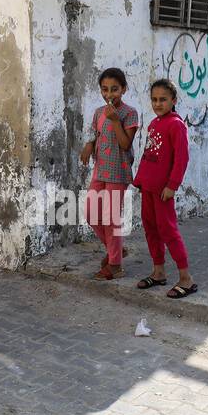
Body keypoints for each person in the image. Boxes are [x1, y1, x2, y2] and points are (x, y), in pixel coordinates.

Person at [132, 79, 195, 298]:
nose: (158, 104)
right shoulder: (153, 124)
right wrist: (140, 179)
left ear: (173, 100)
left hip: (163, 191)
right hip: (148, 188)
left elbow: (181, 159)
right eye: (154, 99)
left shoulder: (176, 124)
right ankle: (158, 272)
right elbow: (148, 155)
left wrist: (172, 186)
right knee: (150, 228)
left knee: (168, 230)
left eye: (163, 99)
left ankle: (186, 278)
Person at [80, 67, 138, 280]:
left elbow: (125, 144)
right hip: (100, 170)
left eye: (114, 89)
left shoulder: (129, 113)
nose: (109, 94)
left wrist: (115, 120)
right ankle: (116, 251)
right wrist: (89, 144)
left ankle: (115, 265)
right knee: (90, 213)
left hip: (118, 172)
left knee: (111, 218)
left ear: (123, 89)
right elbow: (97, 135)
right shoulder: (98, 113)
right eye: (105, 89)